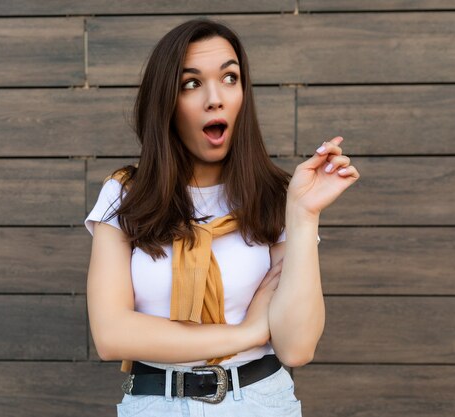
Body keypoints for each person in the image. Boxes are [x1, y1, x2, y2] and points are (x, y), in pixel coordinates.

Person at [84, 18, 359, 417]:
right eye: (191, 83)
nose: (215, 98)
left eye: (230, 78)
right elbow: (111, 335)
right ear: (166, 102)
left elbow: (297, 346)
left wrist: (303, 216)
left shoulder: (277, 196)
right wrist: (246, 332)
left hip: (262, 402)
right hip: (154, 404)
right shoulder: (125, 194)